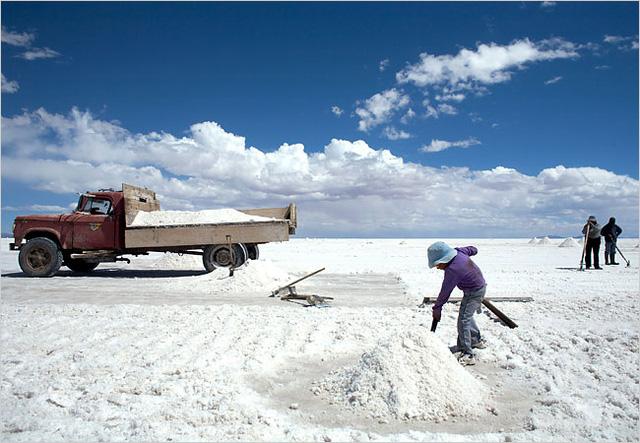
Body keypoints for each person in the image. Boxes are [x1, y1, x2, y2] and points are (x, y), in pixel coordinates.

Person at [421, 242, 487, 366]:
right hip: (476, 288)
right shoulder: (459, 252)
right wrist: (472, 251)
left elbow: (445, 292)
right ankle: (475, 340)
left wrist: (437, 308)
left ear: (445, 259)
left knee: (463, 320)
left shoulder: (453, 270)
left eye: (438, 264)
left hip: (474, 292)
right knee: (467, 315)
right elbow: (473, 249)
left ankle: (467, 353)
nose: (437, 267)